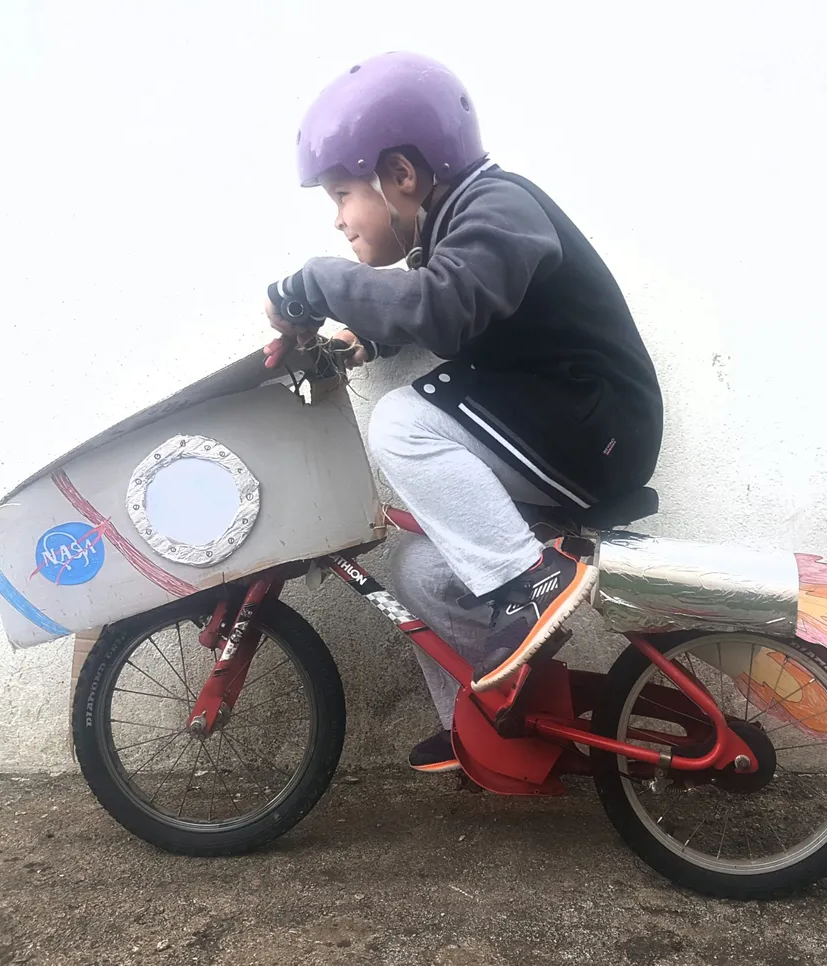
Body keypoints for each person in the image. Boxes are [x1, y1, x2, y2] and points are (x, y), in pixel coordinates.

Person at [263, 52, 663, 773]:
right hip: (561, 429)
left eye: (342, 194)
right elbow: (443, 297)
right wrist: (365, 338)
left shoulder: (499, 205)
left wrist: (314, 287)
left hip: (598, 427)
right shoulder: (458, 229)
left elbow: (445, 309)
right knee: (419, 568)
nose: (338, 221)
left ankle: (529, 584)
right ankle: (490, 726)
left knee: (400, 422)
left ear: (401, 176)